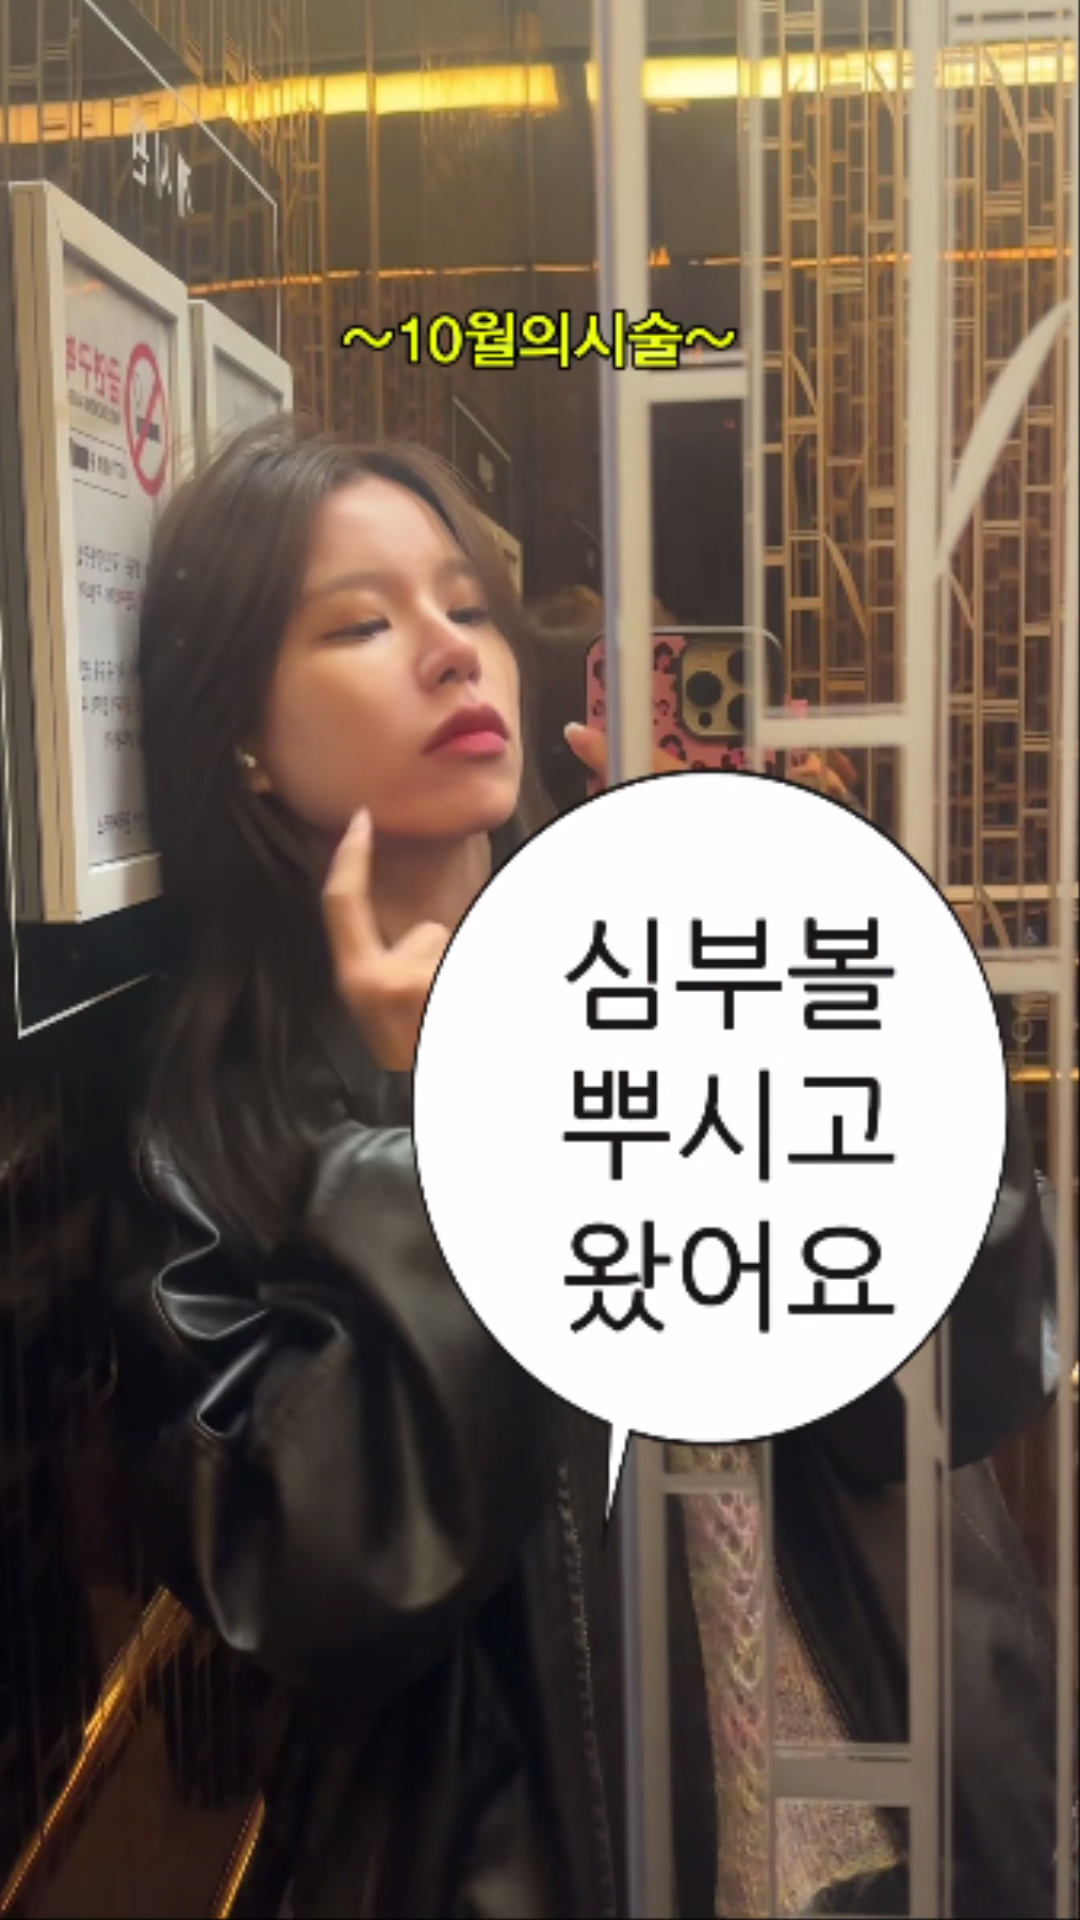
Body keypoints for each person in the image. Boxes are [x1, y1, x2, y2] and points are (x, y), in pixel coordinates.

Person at [103, 415, 1061, 1919]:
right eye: (360, 623)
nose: (451, 651)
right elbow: (307, 1588)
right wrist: (451, 1131)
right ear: (242, 737)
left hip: (915, 1818)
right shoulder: (215, 1127)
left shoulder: (672, 953)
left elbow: (981, 1364)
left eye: (465, 605)